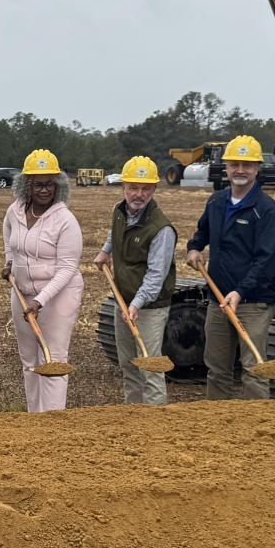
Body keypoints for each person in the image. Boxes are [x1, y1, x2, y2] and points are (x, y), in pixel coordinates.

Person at [185, 134, 275, 399]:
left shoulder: (267, 210)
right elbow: (201, 233)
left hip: (252, 302)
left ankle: (256, 429)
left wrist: (240, 292)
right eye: (234, 164)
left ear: (257, 169)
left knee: (254, 369)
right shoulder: (216, 202)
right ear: (226, 167)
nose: (240, 170)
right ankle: (220, 427)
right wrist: (194, 248)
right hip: (218, 298)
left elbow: (266, 261)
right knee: (217, 369)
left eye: (247, 165)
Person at [2, 149, 84, 413]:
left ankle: (52, 420)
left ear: (58, 185)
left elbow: (68, 268)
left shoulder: (65, 220)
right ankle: (33, 418)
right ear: (26, 184)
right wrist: (9, 262)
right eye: (38, 184)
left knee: (53, 359)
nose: (45, 190)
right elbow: (8, 235)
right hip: (22, 293)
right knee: (29, 360)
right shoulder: (14, 211)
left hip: (58, 297)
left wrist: (40, 301)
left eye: (50, 184)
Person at [93, 155, 177, 406]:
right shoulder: (119, 212)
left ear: (153, 190)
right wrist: (105, 250)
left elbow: (156, 275)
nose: (138, 194)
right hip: (124, 300)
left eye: (145, 189)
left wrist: (137, 303)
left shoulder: (161, 229)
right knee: (128, 365)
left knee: (149, 368)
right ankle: (133, 417)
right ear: (124, 187)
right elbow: (115, 231)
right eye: (133, 188)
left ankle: (154, 423)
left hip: (149, 307)